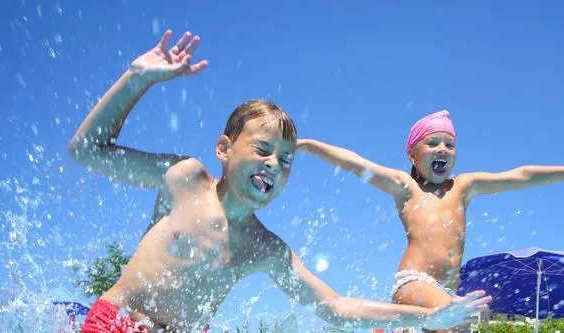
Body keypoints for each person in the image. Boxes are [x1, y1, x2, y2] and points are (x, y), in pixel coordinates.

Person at [68, 30, 490, 333]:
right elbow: (87, 149)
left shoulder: (267, 249)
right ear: (224, 148)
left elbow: (337, 308)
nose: (274, 164)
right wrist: (135, 80)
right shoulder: (185, 180)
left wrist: (429, 319)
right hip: (116, 323)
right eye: (263, 150)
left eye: (286, 160)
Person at [297, 110, 564, 332]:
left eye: (449, 145)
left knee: (462, 320)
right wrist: (310, 146)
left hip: (446, 291)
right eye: (433, 143)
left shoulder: (463, 187)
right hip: (413, 282)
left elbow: (520, 175)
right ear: (412, 154)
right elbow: (355, 162)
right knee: (470, 315)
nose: (443, 149)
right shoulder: (405, 188)